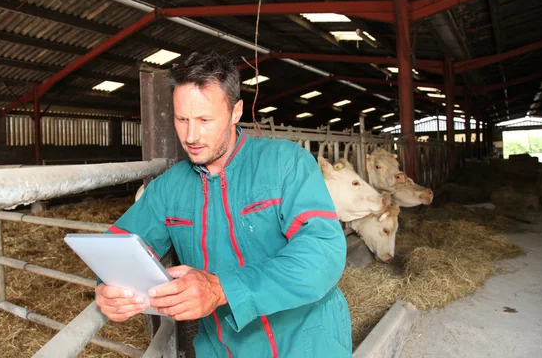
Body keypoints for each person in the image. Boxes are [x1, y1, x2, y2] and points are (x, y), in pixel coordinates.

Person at [95, 52, 352, 357]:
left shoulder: (286, 163)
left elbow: (322, 253)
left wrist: (221, 288)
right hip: (224, 348)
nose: (191, 135)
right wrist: (110, 288)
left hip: (307, 342)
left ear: (235, 111)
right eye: (182, 119)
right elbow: (119, 245)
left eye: (205, 120)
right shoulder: (168, 188)